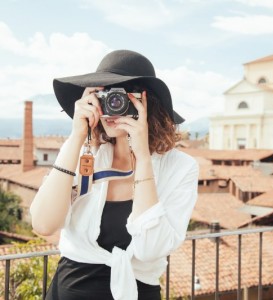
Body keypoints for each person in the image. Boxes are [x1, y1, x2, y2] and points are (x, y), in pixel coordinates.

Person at [30, 49, 198, 300]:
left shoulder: (180, 167)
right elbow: (43, 224)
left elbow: (151, 249)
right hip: (70, 290)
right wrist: (77, 135)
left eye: (120, 95)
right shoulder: (82, 152)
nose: (111, 105)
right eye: (103, 95)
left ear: (146, 102)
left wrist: (142, 157)